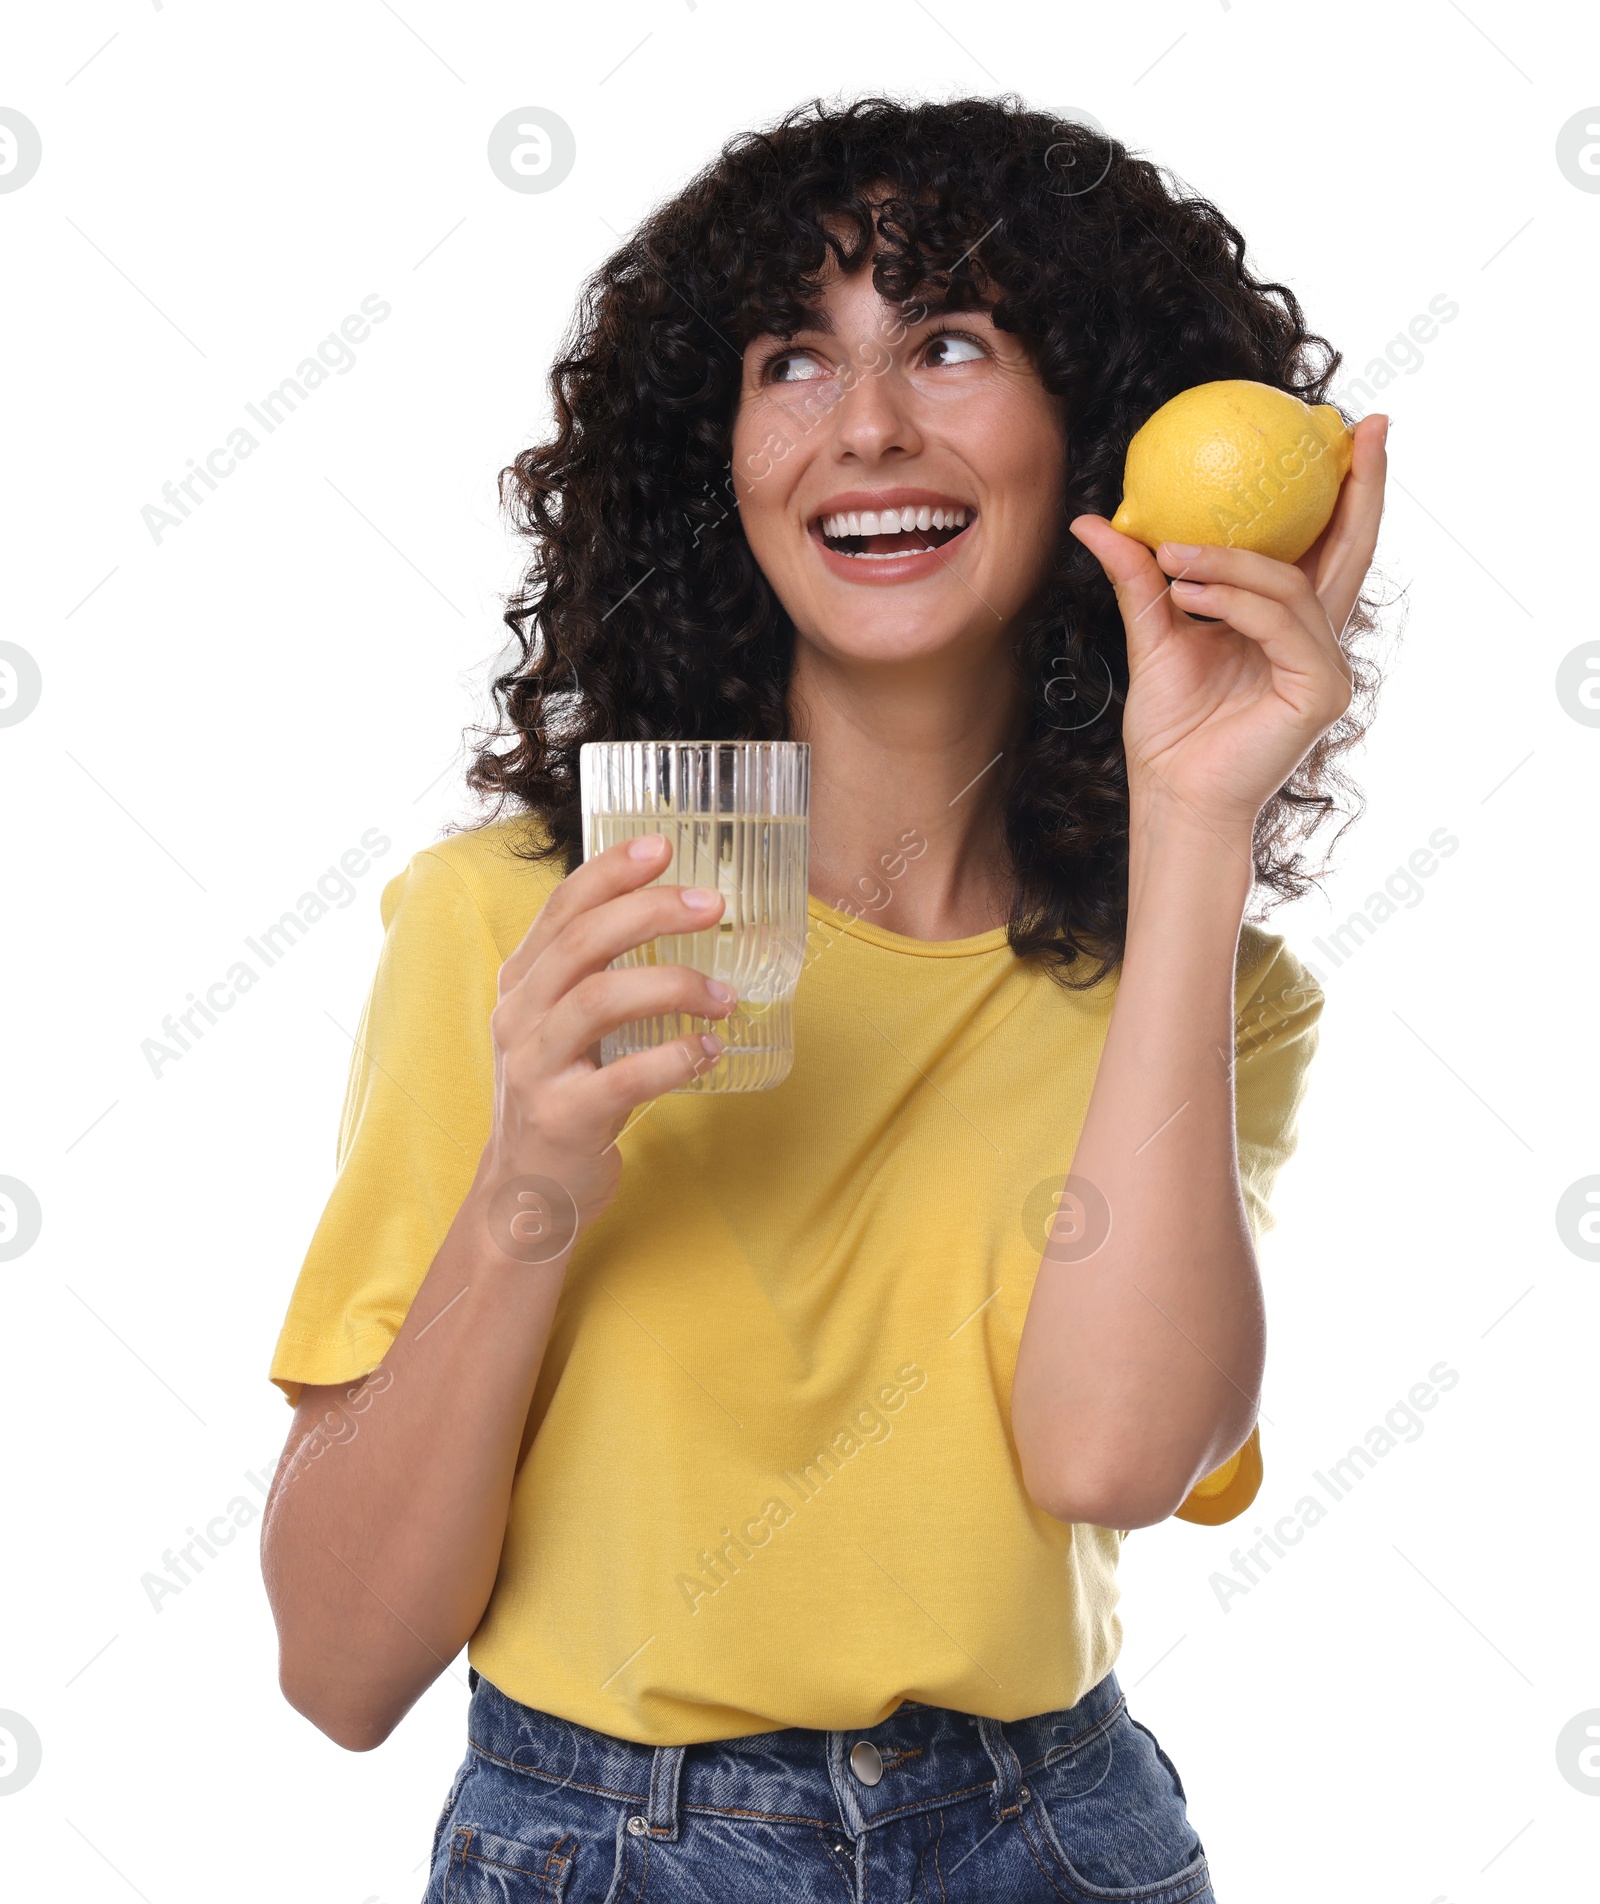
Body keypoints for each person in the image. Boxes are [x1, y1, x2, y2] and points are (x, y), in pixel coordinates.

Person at [261, 95, 1387, 1902]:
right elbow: (339, 1667)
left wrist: (1197, 822)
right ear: (717, 454)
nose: (868, 425)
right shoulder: (515, 931)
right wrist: (534, 1174)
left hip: (1058, 1839)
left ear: (1095, 430)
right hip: (605, 1847)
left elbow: (1106, 1457)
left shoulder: (1216, 991)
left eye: (950, 342)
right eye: (797, 357)